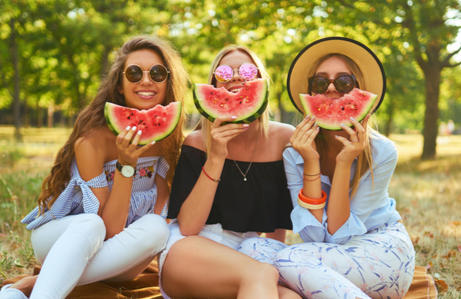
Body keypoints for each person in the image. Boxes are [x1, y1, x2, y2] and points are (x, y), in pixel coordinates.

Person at [0, 36, 188, 299]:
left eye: (157, 73)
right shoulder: (92, 140)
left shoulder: (168, 140)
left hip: (121, 256)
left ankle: (29, 287)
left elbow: (159, 215)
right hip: (62, 237)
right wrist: (126, 167)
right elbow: (108, 229)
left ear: (167, 82)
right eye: (134, 73)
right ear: (120, 85)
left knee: (158, 227)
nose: (146, 80)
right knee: (91, 225)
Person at [239, 37, 416, 298]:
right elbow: (312, 235)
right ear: (311, 94)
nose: (331, 89)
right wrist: (311, 161)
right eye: (321, 83)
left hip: (381, 251)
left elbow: (337, 236)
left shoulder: (382, 151)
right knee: (250, 248)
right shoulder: (295, 154)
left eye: (344, 82)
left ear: (361, 92)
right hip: (321, 256)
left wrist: (345, 162)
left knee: (289, 259)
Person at [160, 45, 300, 298]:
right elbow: (189, 227)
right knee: (261, 274)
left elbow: (278, 225)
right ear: (213, 85)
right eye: (224, 72)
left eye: (247, 71)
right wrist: (216, 156)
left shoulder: (284, 139)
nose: (236, 76)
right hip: (192, 250)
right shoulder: (196, 142)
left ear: (261, 81)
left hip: (250, 252)